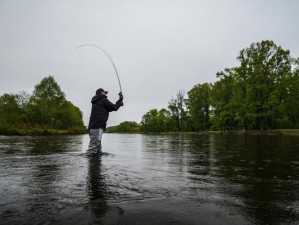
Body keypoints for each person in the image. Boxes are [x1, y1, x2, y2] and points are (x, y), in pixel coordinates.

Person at [87, 88, 123, 155]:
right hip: (97, 126)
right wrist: (120, 101)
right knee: (92, 151)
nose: (106, 94)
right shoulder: (103, 100)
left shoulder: (97, 101)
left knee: (98, 151)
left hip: (93, 127)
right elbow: (114, 107)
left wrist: (120, 101)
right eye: (105, 92)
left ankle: (96, 164)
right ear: (101, 93)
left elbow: (111, 108)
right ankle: (91, 165)